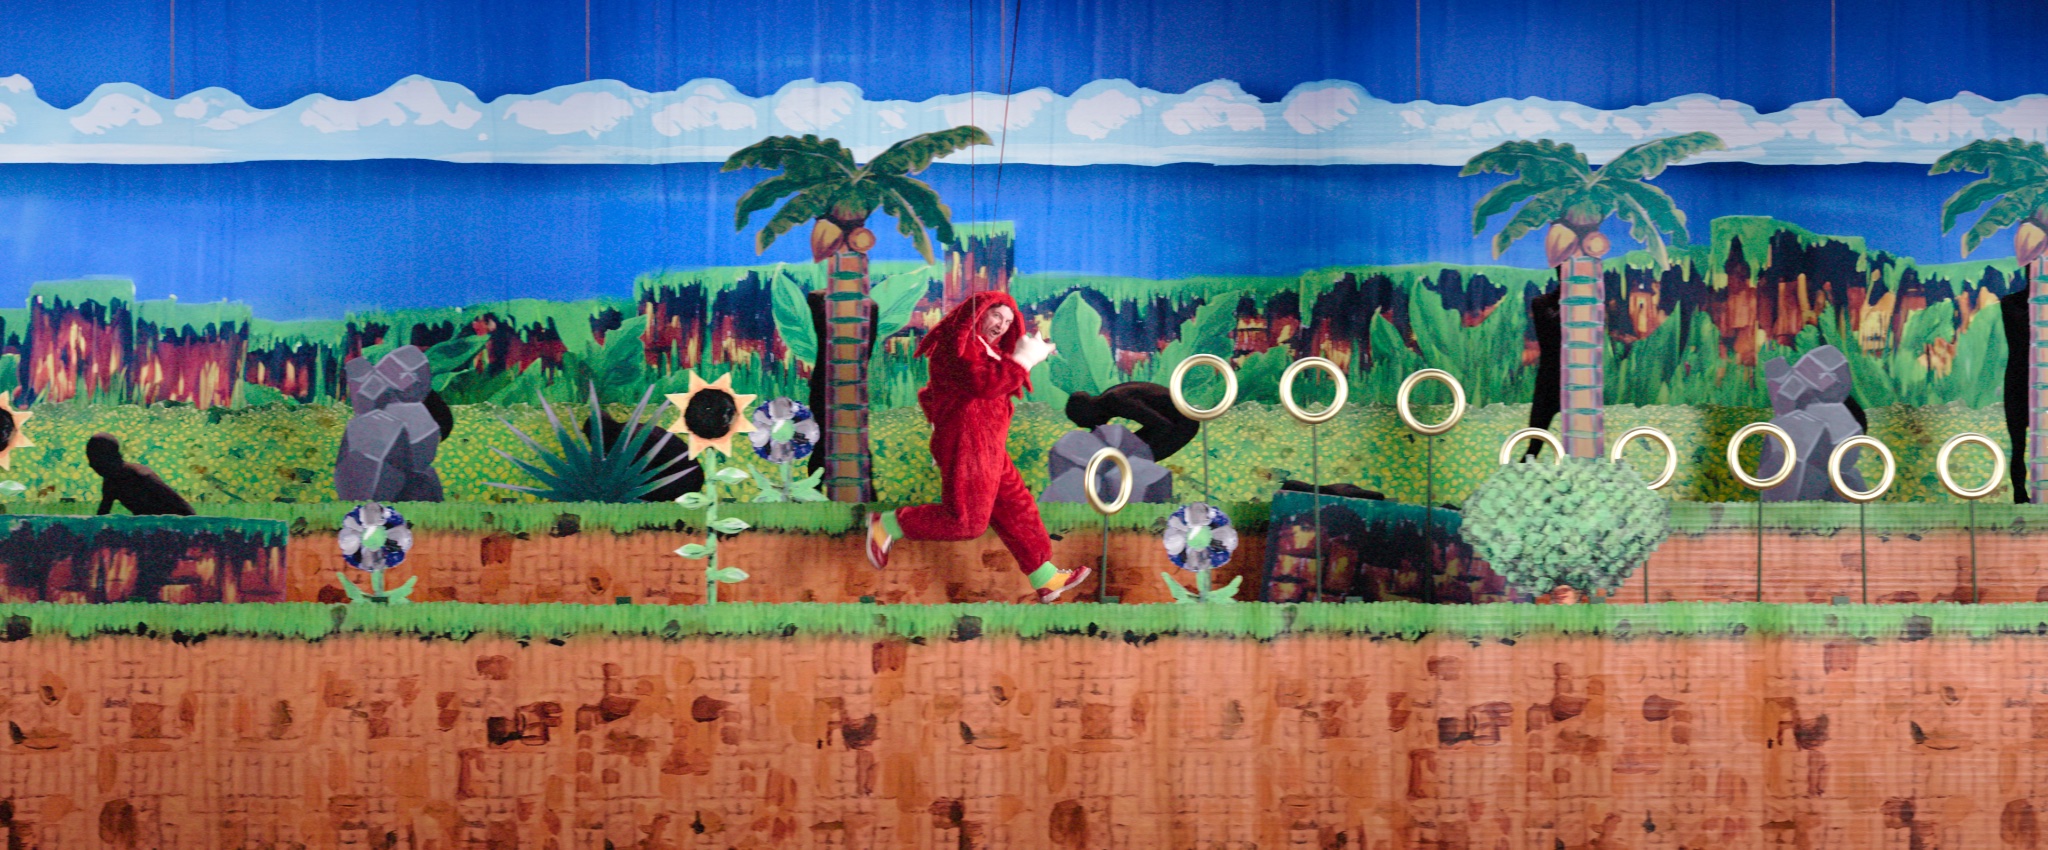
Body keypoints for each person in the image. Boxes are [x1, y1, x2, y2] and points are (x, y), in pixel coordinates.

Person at [864, 292, 1090, 602]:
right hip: (969, 448)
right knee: (967, 522)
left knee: (1017, 507)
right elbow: (983, 385)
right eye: (996, 316)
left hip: (989, 447)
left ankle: (1045, 577)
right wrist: (1023, 360)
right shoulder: (956, 346)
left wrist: (940, 425)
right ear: (978, 312)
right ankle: (888, 524)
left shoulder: (988, 350)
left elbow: (933, 395)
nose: (1001, 325)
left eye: (1008, 321)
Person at [89, 433, 195, 516]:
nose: (91, 465)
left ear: (110, 457)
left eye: (95, 459)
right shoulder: (111, 482)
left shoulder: (141, 475)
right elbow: (101, 517)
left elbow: (182, 509)